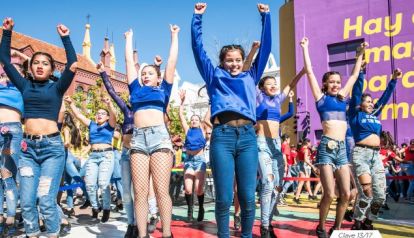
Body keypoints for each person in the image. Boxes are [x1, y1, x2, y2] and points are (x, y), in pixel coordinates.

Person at [191, 3, 271, 237]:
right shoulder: (214, 75)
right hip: (222, 138)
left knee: (247, 196)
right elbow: (198, 49)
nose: (234, 64)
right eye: (229, 60)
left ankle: (246, 235)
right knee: (224, 197)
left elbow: (265, 48)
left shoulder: (251, 75)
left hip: (247, 138)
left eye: (238, 60)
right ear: (222, 62)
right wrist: (197, 18)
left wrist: (265, 17)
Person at [0, 17, 77, 238]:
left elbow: (72, 64)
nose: (40, 66)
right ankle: (32, 234)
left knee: (45, 199)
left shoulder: (57, 87)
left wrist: (66, 38)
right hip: (27, 151)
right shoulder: (24, 85)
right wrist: (7, 33)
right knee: (26, 203)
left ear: (51, 68)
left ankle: (53, 232)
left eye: (45, 63)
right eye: (36, 63)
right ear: (30, 68)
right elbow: (4, 58)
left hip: (52, 149)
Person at [300, 36, 367, 237]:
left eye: (338, 82)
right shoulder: (321, 100)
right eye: (332, 82)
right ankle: (321, 226)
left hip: (342, 151)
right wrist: (305, 47)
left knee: (346, 194)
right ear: (325, 84)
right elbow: (310, 72)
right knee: (329, 193)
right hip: (326, 148)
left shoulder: (342, 97)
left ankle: (336, 229)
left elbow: (354, 76)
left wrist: (360, 54)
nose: (337, 85)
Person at [125, 23, 179, 238]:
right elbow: (129, 62)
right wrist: (129, 38)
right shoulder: (135, 89)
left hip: (159, 139)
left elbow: (172, 61)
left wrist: (174, 36)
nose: (146, 75)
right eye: (143, 73)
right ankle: (142, 234)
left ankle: (166, 234)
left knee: (160, 191)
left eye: (150, 73)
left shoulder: (163, 89)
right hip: (138, 141)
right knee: (140, 193)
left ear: (158, 77)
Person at [349, 68, 401, 230]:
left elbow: (385, 98)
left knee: (380, 197)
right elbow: (357, 92)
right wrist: (362, 72)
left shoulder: (375, 113)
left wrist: (393, 79)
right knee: (367, 193)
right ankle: (357, 220)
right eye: (368, 101)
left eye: (372, 101)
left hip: (375, 156)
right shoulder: (355, 114)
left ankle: (368, 221)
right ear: (360, 104)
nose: (371, 103)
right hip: (361, 154)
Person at [255, 68, 304, 237]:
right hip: (262, 144)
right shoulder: (259, 97)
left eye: (275, 84)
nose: (274, 86)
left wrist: (302, 72)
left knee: (278, 186)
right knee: (268, 184)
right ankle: (264, 227)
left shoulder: (277, 100)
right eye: (269, 84)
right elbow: (252, 78)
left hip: (276, 145)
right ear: (262, 87)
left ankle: (268, 223)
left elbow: (291, 84)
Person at [66, 95, 117, 223]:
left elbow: (114, 115)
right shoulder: (92, 124)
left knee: (103, 183)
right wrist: (71, 103)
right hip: (93, 156)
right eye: (98, 113)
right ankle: (95, 207)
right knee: (89, 184)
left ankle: (106, 209)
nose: (99, 115)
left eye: (102, 113)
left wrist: (109, 105)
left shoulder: (110, 125)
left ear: (106, 117)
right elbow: (79, 116)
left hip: (106, 155)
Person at [178, 89, 210, 222]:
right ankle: (190, 210)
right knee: (188, 189)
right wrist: (181, 102)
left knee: (198, 189)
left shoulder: (203, 130)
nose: (194, 121)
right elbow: (181, 117)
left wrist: (210, 103)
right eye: (192, 120)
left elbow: (207, 116)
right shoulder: (188, 130)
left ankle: (201, 207)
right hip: (189, 161)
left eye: (196, 119)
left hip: (199, 161)